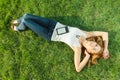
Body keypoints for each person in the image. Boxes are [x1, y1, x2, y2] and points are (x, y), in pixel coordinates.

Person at [11, 14, 109, 72]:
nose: (93, 46)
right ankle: (22, 21)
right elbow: (105, 33)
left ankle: (20, 28)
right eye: (96, 45)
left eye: (94, 49)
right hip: (53, 24)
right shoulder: (87, 34)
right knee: (27, 15)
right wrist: (105, 49)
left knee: (27, 20)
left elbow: (78, 69)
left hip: (48, 34)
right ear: (95, 41)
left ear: (89, 51)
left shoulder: (77, 49)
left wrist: (87, 57)